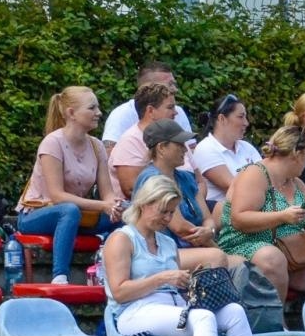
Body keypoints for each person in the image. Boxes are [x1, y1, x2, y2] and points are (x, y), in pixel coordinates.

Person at [103, 175, 281, 336]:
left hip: (172, 307)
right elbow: (119, 292)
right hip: (133, 311)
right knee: (202, 317)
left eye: (171, 212)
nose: (168, 219)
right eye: (163, 211)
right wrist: (162, 278)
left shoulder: (167, 243)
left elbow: (176, 285)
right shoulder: (121, 239)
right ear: (144, 204)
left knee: (234, 312)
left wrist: (192, 282)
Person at [17, 86, 125, 285]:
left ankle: (116, 274)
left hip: (77, 216)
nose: (99, 113)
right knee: (69, 210)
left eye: (98, 107)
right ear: (71, 113)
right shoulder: (52, 143)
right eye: (92, 108)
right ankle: (60, 276)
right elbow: (57, 196)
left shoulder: (97, 146)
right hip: (37, 214)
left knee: (129, 214)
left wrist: (115, 206)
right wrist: (103, 206)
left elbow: (108, 193)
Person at [215, 125, 305, 300]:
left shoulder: (296, 182)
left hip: (291, 247)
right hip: (245, 242)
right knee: (272, 258)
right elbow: (239, 218)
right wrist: (282, 216)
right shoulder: (255, 174)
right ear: (298, 155)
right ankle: (276, 315)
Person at [132, 119, 213, 249]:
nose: (185, 149)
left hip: (195, 248)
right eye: (180, 144)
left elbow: (207, 218)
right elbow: (180, 228)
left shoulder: (186, 177)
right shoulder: (152, 179)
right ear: (161, 148)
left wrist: (209, 230)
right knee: (219, 257)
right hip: (160, 251)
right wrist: (218, 250)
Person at [109, 81, 179, 198]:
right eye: (170, 107)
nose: (175, 113)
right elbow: (132, 189)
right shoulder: (130, 142)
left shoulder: (177, 136)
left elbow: (199, 181)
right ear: (150, 111)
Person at [190, 94, 261, 209]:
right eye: (240, 117)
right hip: (225, 213)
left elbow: (268, 179)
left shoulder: (247, 147)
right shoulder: (205, 149)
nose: (246, 123)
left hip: (254, 208)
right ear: (222, 119)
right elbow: (235, 187)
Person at [101, 62, 191, 149]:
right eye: (170, 84)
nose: (175, 89)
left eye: (174, 84)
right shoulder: (121, 114)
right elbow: (110, 153)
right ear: (149, 88)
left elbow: (190, 149)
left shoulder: (178, 111)